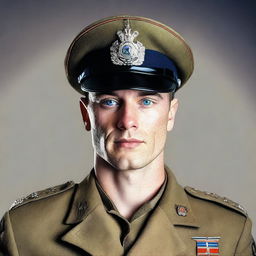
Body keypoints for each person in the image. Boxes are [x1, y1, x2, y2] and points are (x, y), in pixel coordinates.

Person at [0, 15, 255, 256]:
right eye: (109, 102)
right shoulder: (25, 231)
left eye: (146, 102)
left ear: (171, 114)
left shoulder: (228, 232)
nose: (127, 121)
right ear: (86, 114)